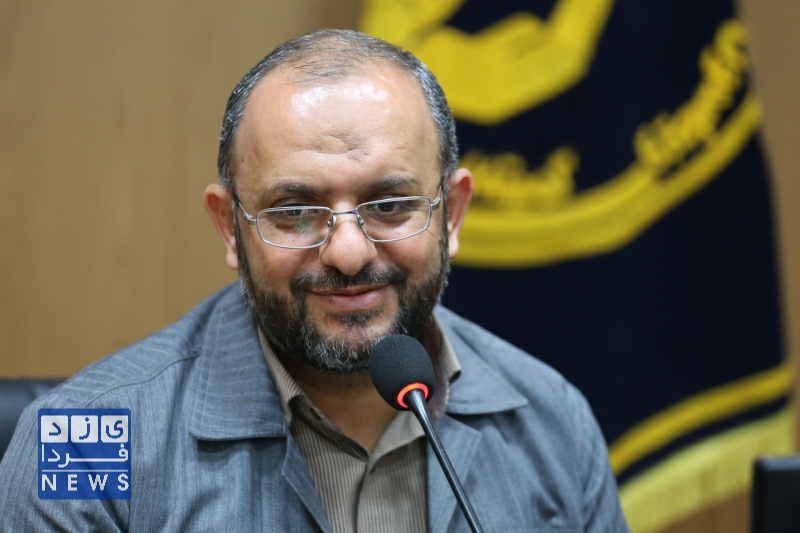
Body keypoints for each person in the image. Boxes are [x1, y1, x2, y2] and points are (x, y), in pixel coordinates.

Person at [0, 29, 630, 532]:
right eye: (296, 211)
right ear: (229, 228)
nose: (349, 254)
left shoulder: (553, 424)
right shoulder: (81, 444)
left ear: (454, 214)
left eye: (390, 204)